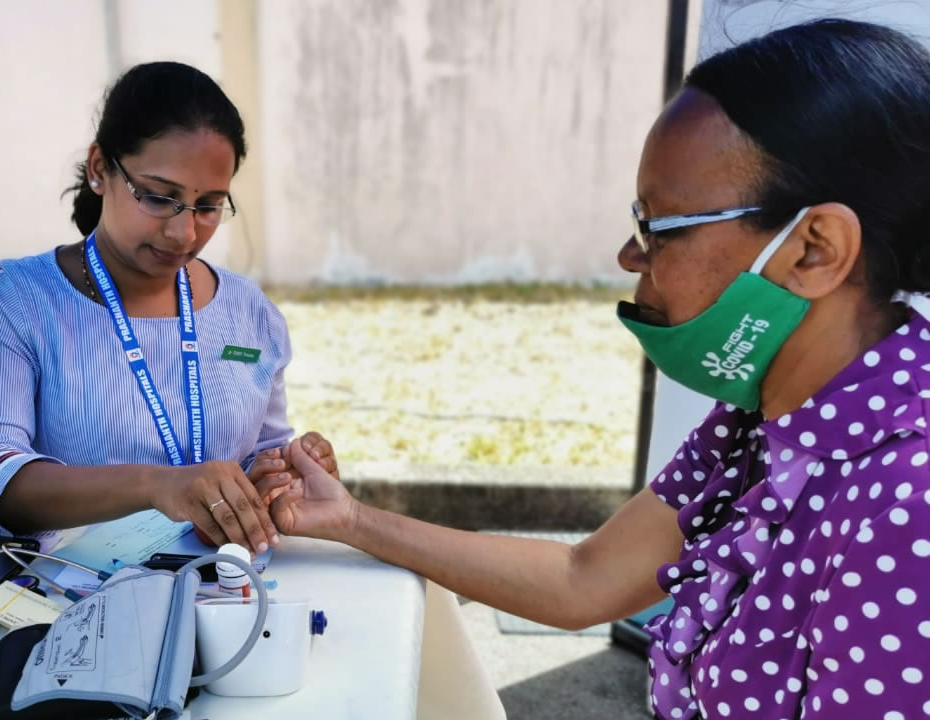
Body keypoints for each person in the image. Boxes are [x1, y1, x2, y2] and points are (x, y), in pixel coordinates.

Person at [266, 19, 930, 720]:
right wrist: (350, 520)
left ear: (815, 249)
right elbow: (584, 578)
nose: (630, 256)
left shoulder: (907, 497)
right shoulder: (766, 421)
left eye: (659, 227)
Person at [0, 61, 336, 553]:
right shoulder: (18, 301)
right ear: (100, 168)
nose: (184, 232)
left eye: (208, 206)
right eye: (157, 196)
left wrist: (285, 472)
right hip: (70, 596)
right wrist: (157, 486)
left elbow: (261, 454)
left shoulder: (248, 312)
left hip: (229, 589)